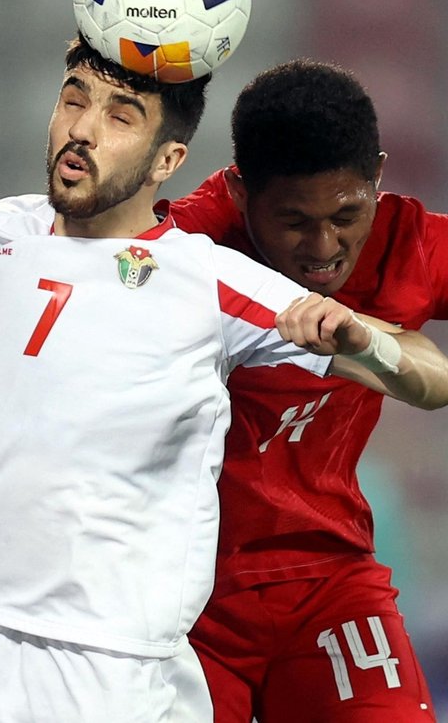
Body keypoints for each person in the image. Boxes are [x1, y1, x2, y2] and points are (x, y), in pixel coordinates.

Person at [159, 58, 448, 722]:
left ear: (377, 173)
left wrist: (366, 338)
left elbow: (433, 379)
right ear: (238, 191)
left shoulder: (408, 243)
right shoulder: (175, 251)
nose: (325, 247)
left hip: (326, 581)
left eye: (347, 214)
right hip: (177, 598)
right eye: (294, 221)